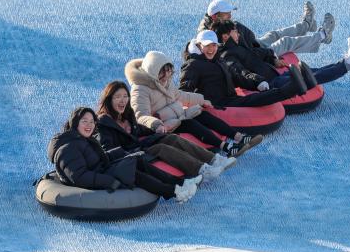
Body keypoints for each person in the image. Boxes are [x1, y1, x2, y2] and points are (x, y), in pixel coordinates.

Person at [47, 107, 199, 203]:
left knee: (137, 160)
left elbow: (97, 159)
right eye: (84, 121)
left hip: (99, 171)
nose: (89, 125)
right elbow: (79, 177)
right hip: (97, 179)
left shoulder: (84, 140)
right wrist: (111, 182)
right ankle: (174, 192)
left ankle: (180, 183)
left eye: (92, 122)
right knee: (131, 171)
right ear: (75, 123)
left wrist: (121, 152)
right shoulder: (68, 148)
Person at [125, 50, 263, 157]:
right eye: (163, 72)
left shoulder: (165, 82)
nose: (167, 75)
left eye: (168, 71)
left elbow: (180, 95)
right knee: (190, 123)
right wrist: (156, 124)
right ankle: (226, 148)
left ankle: (239, 137)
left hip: (176, 115)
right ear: (153, 71)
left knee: (201, 113)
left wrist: (202, 100)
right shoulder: (140, 89)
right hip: (161, 125)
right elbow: (140, 115)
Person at [95, 81, 237, 183]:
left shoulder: (126, 115)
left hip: (138, 146)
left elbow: (138, 130)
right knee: (161, 148)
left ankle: (214, 159)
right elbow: (107, 149)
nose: (122, 100)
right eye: (117, 97)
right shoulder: (104, 122)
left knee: (171, 138)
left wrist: (156, 127)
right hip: (130, 155)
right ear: (109, 99)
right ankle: (202, 170)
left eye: (125, 96)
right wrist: (132, 151)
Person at [211, 20, 350, 92]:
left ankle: (347, 62)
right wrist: (259, 82)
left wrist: (273, 59)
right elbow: (240, 72)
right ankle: (348, 65)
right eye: (234, 32)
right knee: (309, 76)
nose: (238, 33)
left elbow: (258, 54)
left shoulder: (237, 47)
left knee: (310, 70)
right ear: (225, 36)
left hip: (272, 74)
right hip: (270, 83)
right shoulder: (227, 55)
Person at [179, 30, 308, 108]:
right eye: (207, 46)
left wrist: (258, 82)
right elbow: (184, 91)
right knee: (257, 99)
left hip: (230, 98)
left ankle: (299, 84)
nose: (211, 49)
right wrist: (201, 103)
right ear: (199, 46)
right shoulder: (192, 65)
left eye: (214, 45)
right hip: (217, 104)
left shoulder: (218, 60)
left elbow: (239, 75)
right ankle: (293, 88)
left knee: (260, 95)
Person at [198, 0, 335, 57]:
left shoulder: (220, 23)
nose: (230, 15)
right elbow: (231, 53)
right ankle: (323, 35)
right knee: (285, 42)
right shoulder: (209, 37)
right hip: (253, 56)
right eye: (227, 13)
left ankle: (306, 24)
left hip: (253, 45)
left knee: (274, 34)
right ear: (216, 16)